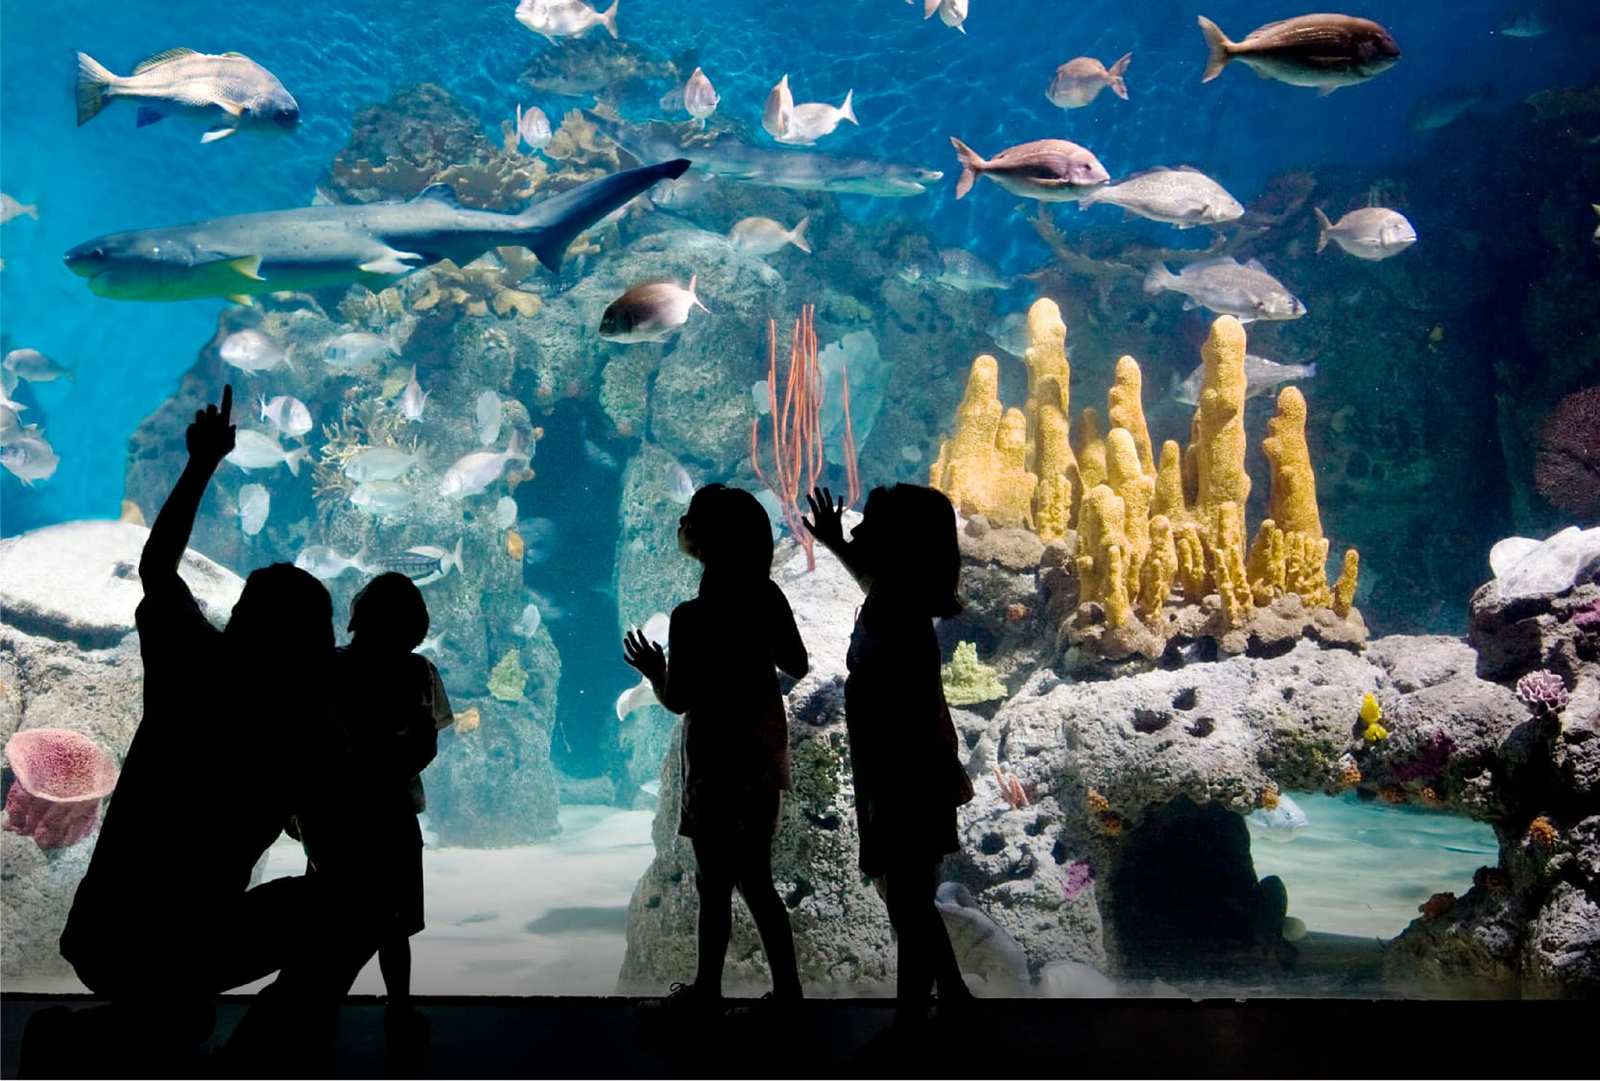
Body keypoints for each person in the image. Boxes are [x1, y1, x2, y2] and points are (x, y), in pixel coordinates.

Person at [56, 385, 336, 1058]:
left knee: (172, 1020)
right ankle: (255, 1057)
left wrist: (203, 461)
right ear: (314, 648)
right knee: (343, 902)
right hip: (192, 948)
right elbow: (332, 842)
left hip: (103, 937)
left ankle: (131, 1029)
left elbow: (156, 568)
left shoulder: (193, 667)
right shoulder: (301, 730)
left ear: (238, 621)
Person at [623, 484, 807, 1009]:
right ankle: (789, 993)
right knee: (758, 880)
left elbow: (679, 700)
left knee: (713, 882)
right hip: (761, 760)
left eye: (690, 518)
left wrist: (655, 671)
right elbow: (797, 664)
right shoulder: (767, 597)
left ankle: (707, 992)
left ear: (706, 541)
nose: (682, 522)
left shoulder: (691, 617)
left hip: (713, 767)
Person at [802, 483, 975, 1023]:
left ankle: (912, 1020)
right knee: (909, 898)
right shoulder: (899, 599)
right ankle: (949, 1001)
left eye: (868, 525)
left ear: (900, 545)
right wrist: (835, 544)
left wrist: (838, 544)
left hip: (905, 775)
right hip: (900, 771)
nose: (856, 531)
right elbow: (876, 579)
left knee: (906, 899)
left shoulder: (898, 611)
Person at [294, 572, 451, 1014]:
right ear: (417, 626)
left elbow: (307, 744)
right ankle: (398, 1005)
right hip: (391, 814)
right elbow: (426, 745)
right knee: (393, 925)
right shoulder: (419, 672)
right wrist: (388, 768)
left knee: (322, 915)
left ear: (357, 617)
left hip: (331, 815)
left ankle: (308, 1006)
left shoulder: (329, 667)